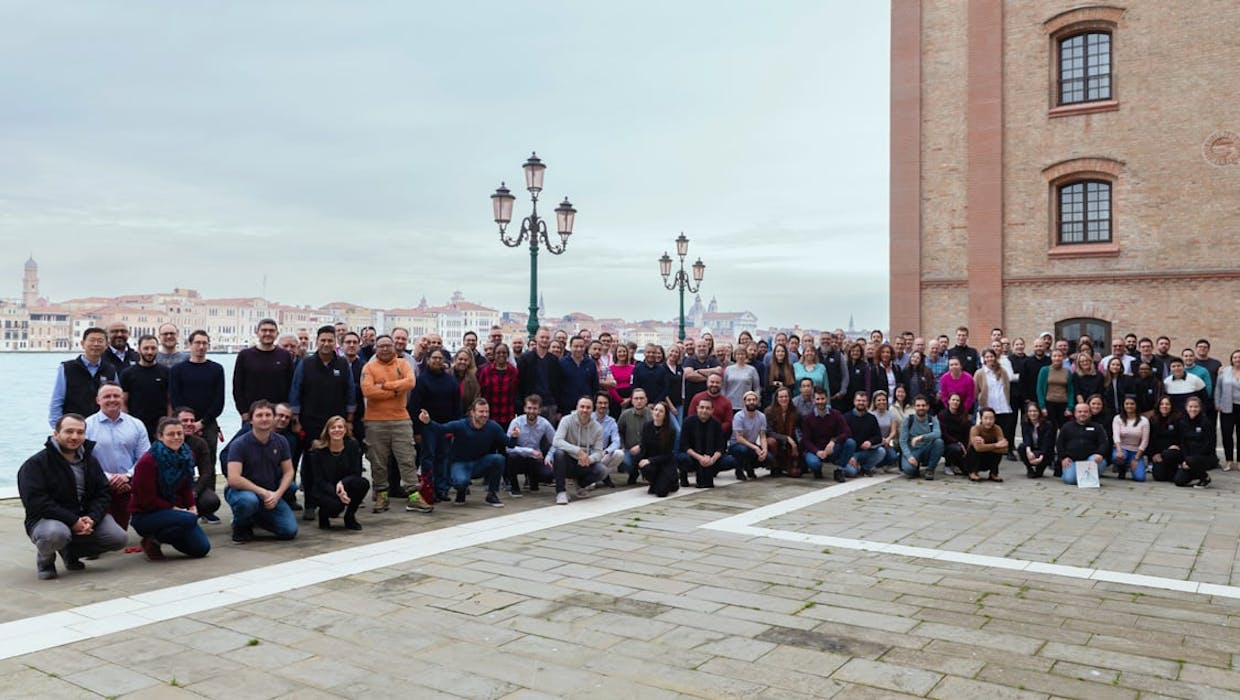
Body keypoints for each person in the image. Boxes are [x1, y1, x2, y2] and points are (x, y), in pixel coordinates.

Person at [19, 414, 129, 579]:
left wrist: (92, 518)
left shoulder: (90, 461)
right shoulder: (35, 464)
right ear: (56, 434)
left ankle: (70, 552)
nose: (75, 437)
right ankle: (46, 559)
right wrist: (72, 521)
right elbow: (36, 501)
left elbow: (103, 493)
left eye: (80, 432)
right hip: (47, 519)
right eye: (69, 431)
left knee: (118, 538)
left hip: (83, 516)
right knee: (56, 534)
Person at [289, 325, 356, 521]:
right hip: (311, 422)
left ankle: (332, 501)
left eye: (330, 340)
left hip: (336, 424)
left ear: (335, 342)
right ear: (316, 341)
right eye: (323, 340)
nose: (326, 344)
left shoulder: (343, 364)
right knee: (311, 464)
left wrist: (349, 421)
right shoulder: (306, 364)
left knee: (335, 463)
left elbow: (350, 392)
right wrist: (296, 420)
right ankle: (310, 503)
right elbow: (296, 391)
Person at [360, 335, 428, 513]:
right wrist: (396, 390)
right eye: (381, 346)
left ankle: (414, 496)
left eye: (388, 346)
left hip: (401, 420)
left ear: (393, 347)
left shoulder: (403, 364)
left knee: (407, 459)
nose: (385, 349)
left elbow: (411, 382)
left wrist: (385, 386)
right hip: (374, 422)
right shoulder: (369, 367)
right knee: (378, 462)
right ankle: (382, 496)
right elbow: (368, 391)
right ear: (375, 348)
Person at [128, 417, 210, 560]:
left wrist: (191, 505)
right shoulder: (148, 462)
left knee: (201, 549)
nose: (176, 437)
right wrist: (176, 509)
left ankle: (160, 537)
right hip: (146, 514)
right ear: (160, 436)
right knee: (188, 519)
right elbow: (147, 501)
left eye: (179, 433)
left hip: (174, 512)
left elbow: (186, 485)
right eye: (171, 434)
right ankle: (151, 539)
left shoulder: (186, 455)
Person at [224, 400, 298, 542]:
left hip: (269, 492)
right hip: (242, 492)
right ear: (251, 420)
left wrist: (277, 494)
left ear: (273, 418)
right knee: (248, 501)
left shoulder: (281, 441)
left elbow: (289, 472)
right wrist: (263, 492)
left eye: (268, 415)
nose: (264, 419)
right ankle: (241, 525)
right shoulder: (239, 444)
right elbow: (234, 478)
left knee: (289, 531)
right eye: (259, 415)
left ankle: (255, 517)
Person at [84, 382, 150, 530]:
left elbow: (144, 458)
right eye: (107, 396)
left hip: (129, 484)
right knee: (105, 533)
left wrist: (126, 476)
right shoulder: (87, 426)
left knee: (119, 534)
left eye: (116, 396)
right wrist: (109, 478)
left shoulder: (136, 424)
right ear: (98, 400)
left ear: (122, 399)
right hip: (98, 484)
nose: (112, 399)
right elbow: (84, 460)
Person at [168, 330, 225, 468]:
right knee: (180, 463)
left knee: (209, 464)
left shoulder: (217, 369)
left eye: (205, 343)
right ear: (190, 344)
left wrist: (201, 423)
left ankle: (208, 490)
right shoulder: (177, 370)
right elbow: (175, 398)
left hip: (208, 423)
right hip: (183, 423)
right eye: (198, 343)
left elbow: (219, 401)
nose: (201, 347)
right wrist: (188, 422)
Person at [305, 416, 369, 529]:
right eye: (333, 427)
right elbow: (319, 480)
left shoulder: (352, 445)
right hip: (324, 488)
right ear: (327, 431)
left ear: (345, 430)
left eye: (340, 427)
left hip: (345, 485)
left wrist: (342, 484)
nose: (337, 430)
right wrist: (338, 492)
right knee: (335, 508)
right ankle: (323, 514)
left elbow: (356, 472)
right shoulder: (317, 450)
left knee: (362, 483)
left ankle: (350, 516)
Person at [49, 327, 119, 427]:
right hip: (73, 426)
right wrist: (57, 427)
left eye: (100, 341)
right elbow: (57, 400)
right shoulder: (67, 368)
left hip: (102, 426)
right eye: (92, 340)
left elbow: (116, 400)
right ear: (82, 344)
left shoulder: (110, 370)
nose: (96, 344)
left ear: (106, 346)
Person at [232, 319, 295, 428]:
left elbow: (291, 386)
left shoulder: (285, 356)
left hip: (278, 415)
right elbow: (237, 386)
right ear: (257, 332)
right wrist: (243, 412)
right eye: (264, 330)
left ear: (277, 334)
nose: (267, 333)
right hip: (252, 415)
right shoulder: (245, 355)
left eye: (271, 331)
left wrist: (288, 411)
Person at [551, 396, 607, 504]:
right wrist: (578, 451)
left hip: (583, 463)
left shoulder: (597, 428)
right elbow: (556, 441)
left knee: (602, 470)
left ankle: (581, 485)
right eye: (582, 407)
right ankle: (561, 492)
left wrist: (589, 459)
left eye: (588, 407)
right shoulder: (566, 420)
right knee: (558, 453)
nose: (585, 410)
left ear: (592, 409)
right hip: (567, 461)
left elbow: (599, 452)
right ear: (577, 407)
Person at [175, 407, 222, 522]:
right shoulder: (165, 443)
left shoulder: (199, 443)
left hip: (188, 485)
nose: (189, 424)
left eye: (192, 420)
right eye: (185, 421)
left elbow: (206, 472)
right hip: (167, 487)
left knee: (211, 501)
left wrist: (195, 491)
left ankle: (194, 514)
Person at [120, 334, 170, 440]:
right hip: (135, 425)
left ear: (158, 349)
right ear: (139, 350)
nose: (150, 352)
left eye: (153, 348)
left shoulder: (166, 372)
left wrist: (168, 424)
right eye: (146, 348)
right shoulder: (127, 373)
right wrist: (127, 424)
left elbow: (170, 401)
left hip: (160, 427)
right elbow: (123, 402)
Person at [800, 388, 856, 482]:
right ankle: (817, 470)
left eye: (822, 399)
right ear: (814, 400)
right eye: (818, 399)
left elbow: (847, 432)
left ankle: (839, 469)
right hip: (816, 450)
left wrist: (833, 441)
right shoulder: (808, 418)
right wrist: (817, 451)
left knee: (850, 443)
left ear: (827, 399)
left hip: (832, 449)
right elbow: (806, 440)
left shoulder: (836, 414)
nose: (820, 402)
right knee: (814, 463)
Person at [506, 394, 556, 495]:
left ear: (539, 410)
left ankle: (533, 481)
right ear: (524, 409)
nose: (532, 411)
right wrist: (530, 451)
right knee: (511, 458)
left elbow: (556, 443)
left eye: (535, 408)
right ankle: (514, 487)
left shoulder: (544, 423)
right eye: (529, 408)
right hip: (519, 458)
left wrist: (549, 457)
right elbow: (508, 448)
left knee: (548, 474)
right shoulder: (516, 422)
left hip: (535, 460)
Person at [677, 396, 730, 488]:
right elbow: (684, 446)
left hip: (710, 457)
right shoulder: (688, 422)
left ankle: (713, 472)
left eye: (707, 408)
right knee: (682, 458)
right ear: (697, 408)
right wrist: (700, 458)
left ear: (712, 410)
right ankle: (683, 475)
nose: (704, 410)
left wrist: (712, 459)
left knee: (730, 461)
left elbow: (721, 447)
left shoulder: (716, 424)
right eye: (702, 407)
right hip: (693, 456)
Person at [974, 348, 1016, 460]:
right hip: (988, 406)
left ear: (995, 357)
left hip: (1002, 405)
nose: (989, 359)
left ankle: (1007, 449)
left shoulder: (1002, 371)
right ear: (983, 359)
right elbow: (976, 390)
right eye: (987, 357)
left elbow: (1007, 386)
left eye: (991, 356)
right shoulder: (979, 373)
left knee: (1006, 430)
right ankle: (990, 451)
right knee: (989, 430)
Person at [1057, 403, 1109, 486]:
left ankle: (1089, 478)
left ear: (1090, 413)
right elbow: (1059, 444)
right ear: (1075, 413)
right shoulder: (1067, 426)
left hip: (1091, 459)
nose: (1082, 414)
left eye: (1085, 412)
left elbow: (1104, 443)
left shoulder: (1097, 427)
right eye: (1079, 412)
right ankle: (1078, 475)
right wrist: (1063, 458)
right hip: (1072, 460)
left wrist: (1100, 453)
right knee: (1070, 480)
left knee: (1099, 461)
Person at [517, 327, 561, 422]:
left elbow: (558, 385)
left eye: (547, 338)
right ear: (536, 338)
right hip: (531, 405)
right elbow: (520, 384)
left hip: (549, 404)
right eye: (542, 337)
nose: (544, 340)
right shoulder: (525, 359)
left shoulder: (554, 360)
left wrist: (558, 408)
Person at [1174, 397, 1217, 487]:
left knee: (1192, 461)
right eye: (1190, 406)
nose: (1193, 409)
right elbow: (1183, 443)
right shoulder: (1182, 422)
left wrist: (1191, 460)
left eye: (1196, 407)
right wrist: (1186, 460)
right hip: (1189, 458)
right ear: (1186, 407)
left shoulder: (1206, 422)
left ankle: (1205, 477)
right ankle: (1195, 473)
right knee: (1179, 481)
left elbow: (1209, 444)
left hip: (1205, 457)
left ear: (1200, 408)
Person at [898, 395, 943, 479]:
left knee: (939, 442)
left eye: (923, 405)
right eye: (918, 405)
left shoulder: (932, 419)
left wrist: (921, 437)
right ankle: (914, 467)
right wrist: (909, 456)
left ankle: (930, 470)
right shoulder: (908, 420)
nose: (921, 408)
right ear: (914, 407)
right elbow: (902, 441)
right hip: (912, 450)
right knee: (908, 470)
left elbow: (938, 433)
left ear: (928, 407)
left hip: (927, 449)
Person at [729, 391, 770, 481]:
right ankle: (739, 470)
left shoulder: (762, 416)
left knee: (768, 458)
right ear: (744, 402)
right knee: (743, 450)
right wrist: (755, 448)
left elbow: (762, 436)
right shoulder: (739, 416)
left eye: (754, 400)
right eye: (749, 400)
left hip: (751, 444)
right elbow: (739, 438)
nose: (751, 402)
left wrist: (764, 450)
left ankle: (749, 466)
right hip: (736, 445)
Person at [638, 402, 679, 496]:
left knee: (661, 493)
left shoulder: (671, 431)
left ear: (665, 415)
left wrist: (650, 460)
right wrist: (641, 461)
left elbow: (668, 455)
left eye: (661, 411)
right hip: (652, 464)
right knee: (646, 468)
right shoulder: (646, 426)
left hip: (665, 463)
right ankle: (654, 482)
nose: (657, 413)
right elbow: (643, 446)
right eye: (655, 410)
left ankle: (673, 481)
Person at [478, 343, 519, 428]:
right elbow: (480, 391)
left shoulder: (514, 372)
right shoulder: (485, 371)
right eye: (498, 352)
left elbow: (517, 391)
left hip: (508, 414)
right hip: (489, 415)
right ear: (494, 354)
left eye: (504, 353)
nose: (501, 355)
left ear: (508, 354)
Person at [845, 391, 886, 477]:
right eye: (859, 400)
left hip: (865, 452)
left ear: (867, 402)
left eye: (863, 401)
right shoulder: (846, 417)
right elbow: (842, 438)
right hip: (850, 453)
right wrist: (849, 456)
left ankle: (865, 468)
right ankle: (851, 466)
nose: (861, 403)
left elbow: (878, 436)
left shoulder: (871, 418)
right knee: (851, 472)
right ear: (854, 402)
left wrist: (870, 442)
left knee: (881, 451)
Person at [616, 388, 652, 484]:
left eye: (641, 398)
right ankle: (633, 473)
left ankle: (647, 474)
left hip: (647, 450)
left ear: (646, 400)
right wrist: (622, 446)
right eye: (636, 398)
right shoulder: (625, 415)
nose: (639, 401)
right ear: (632, 401)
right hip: (629, 450)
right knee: (626, 463)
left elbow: (654, 435)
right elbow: (618, 432)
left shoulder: (651, 415)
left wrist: (641, 446)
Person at [765, 385, 801, 477]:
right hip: (777, 442)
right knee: (771, 442)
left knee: (795, 474)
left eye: (786, 396)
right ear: (776, 398)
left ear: (790, 398)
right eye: (781, 397)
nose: (783, 399)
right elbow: (769, 432)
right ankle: (775, 466)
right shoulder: (769, 411)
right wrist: (786, 438)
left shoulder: (796, 412)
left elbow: (800, 430)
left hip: (791, 444)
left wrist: (795, 444)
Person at [964, 408, 1008, 482]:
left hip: (988, 459)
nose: (988, 421)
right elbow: (977, 448)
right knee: (973, 449)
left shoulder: (997, 429)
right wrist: (996, 445)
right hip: (973, 460)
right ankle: (973, 472)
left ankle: (993, 473)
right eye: (986, 418)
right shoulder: (975, 429)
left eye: (991, 418)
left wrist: (985, 446)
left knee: (998, 452)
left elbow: (1004, 449)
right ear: (981, 419)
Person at [1111, 396, 1149, 481]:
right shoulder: (1118, 418)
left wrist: (1136, 459)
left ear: (1136, 405)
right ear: (1123, 405)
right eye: (1127, 404)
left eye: (1132, 404)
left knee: (1140, 478)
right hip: (1122, 448)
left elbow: (1145, 441)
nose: (1129, 406)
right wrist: (1119, 451)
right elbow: (1116, 436)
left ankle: (1132, 465)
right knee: (1117, 457)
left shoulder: (1144, 421)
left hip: (1136, 451)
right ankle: (1122, 468)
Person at [1036, 349, 1075, 429]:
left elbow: (1070, 391)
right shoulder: (1045, 370)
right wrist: (1042, 407)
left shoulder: (1067, 372)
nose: (1057, 358)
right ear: (1051, 358)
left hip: (1063, 405)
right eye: (1054, 356)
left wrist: (1070, 407)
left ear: (1063, 357)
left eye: (1059, 356)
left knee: (1064, 429)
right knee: (1050, 430)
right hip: (1049, 404)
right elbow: (1039, 389)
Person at [689, 373, 734, 439]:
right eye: (712, 382)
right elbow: (691, 416)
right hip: (698, 434)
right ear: (707, 383)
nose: (714, 384)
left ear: (721, 384)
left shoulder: (726, 402)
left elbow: (728, 422)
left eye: (717, 382)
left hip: (717, 435)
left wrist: (714, 430)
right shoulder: (697, 398)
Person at [1148, 396, 1182, 482]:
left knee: (1168, 454)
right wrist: (1154, 454)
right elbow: (1150, 439)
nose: (1164, 406)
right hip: (1159, 454)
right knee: (1159, 477)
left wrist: (1178, 446)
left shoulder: (1178, 419)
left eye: (1167, 404)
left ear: (1171, 406)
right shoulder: (1153, 420)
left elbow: (1182, 437)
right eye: (1162, 404)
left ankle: (1177, 467)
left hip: (1173, 453)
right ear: (1158, 406)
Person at [1020, 400, 1056, 478]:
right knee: (1022, 447)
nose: (1032, 413)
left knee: (1048, 452)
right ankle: (1029, 468)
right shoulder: (1025, 422)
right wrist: (1028, 451)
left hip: (1043, 450)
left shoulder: (1047, 424)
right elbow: (1026, 438)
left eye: (1035, 411)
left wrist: (1041, 457)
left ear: (1039, 412)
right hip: (1032, 448)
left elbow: (1047, 442)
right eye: (1030, 411)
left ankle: (1040, 469)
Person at [1217, 349, 1240, 471]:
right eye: (1235, 357)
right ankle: (1229, 461)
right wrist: (1217, 403)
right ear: (1231, 359)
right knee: (1227, 434)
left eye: (1239, 357)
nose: (1237, 359)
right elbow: (1218, 388)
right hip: (1227, 407)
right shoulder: (1224, 371)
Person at [938, 392, 972, 476]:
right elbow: (943, 434)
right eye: (953, 400)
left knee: (968, 471)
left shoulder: (964, 414)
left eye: (958, 400)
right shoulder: (942, 415)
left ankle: (957, 464)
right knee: (955, 448)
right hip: (947, 444)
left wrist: (966, 446)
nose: (955, 402)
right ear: (948, 401)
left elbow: (967, 433)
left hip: (962, 445)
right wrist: (958, 443)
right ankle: (948, 465)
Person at [869, 390, 900, 471]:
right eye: (879, 400)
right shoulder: (871, 415)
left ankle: (884, 464)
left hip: (887, 442)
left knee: (893, 457)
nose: (881, 402)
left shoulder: (891, 414)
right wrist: (880, 439)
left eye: (883, 400)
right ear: (875, 402)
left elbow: (893, 431)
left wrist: (888, 439)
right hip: (875, 441)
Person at [607, 343, 636, 417]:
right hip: (616, 399)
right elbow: (610, 387)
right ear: (616, 354)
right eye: (619, 352)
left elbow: (636, 384)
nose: (622, 354)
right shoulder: (610, 369)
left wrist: (630, 399)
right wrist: (620, 401)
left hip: (631, 399)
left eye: (624, 351)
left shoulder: (633, 368)